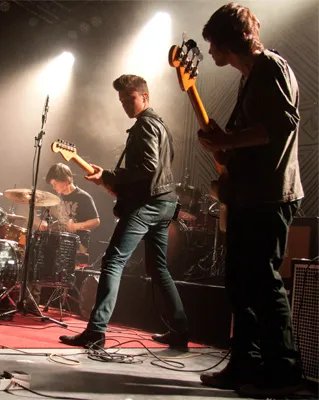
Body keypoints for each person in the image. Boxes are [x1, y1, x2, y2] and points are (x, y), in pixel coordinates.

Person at [197, 3, 304, 398]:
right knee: (240, 284)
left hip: (270, 194)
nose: (210, 52)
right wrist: (223, 145)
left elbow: (282, 124)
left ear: (227, 41)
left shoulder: (271, 66)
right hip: (248, 194)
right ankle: (245, 364)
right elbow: (247, 139)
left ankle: (283, 373)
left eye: (213, 44)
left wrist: (227, 140)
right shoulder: (250, 77)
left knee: (263, 281)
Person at [59, 74, 189, 350]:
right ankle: (180, 330)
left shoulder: (145, 126)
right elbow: (159, 168)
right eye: (121, 101)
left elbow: (148, 168)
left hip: (148, 205)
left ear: (145, 96)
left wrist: (110, 176)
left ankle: (95, 332)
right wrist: (113, 180)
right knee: (158, 268)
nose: (125, 105)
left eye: (130, 99)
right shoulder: (160, 125)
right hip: (164, 203)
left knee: (113, 261)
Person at [29, 163, 100, 305]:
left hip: (76, 244)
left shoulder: (84, 197)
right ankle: (31, 301)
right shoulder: (54, 198)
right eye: (52, 184)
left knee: (45, 255)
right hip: (57, 240)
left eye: (55, 184)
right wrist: (43, 223)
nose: (54, 187)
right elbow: (45, 218)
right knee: (35, 253)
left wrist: (77, 226)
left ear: (67, 180)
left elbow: (96, 221)